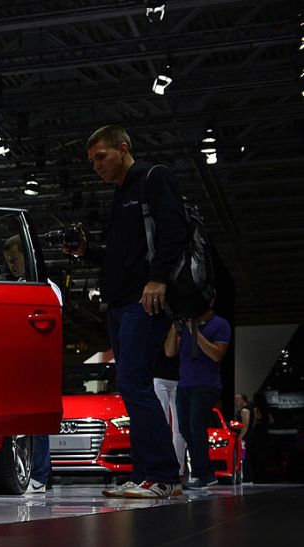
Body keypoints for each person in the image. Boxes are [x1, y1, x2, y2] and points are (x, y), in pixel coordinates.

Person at [73, 124, 188, 498]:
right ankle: (147, 475)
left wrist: (158, 280)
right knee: (133, 383)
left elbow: (175, 231)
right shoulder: (120, 196)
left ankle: (162, 475)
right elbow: (122, 259)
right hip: (122, 302)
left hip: (146, 299)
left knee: (134, 382)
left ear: (123, 149)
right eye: (91, 162)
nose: (96, 166)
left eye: (101, 157)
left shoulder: (154, 178)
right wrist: (85, 252)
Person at [164, 307, 230, 488]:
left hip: (206, 384)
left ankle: (203, 474)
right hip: (184, 384)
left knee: (196, 428)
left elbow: (217, 355)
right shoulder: (183, 326)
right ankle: (205, 472)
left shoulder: (220, 324)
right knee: (185, 429)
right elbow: (169, 352)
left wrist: (195, 332)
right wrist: (174, 327)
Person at [153, 350, 186, 476]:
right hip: (160, 377)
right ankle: (164, 467)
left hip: (178, 379)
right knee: (163, 423)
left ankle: (178, 470)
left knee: (179, 427)